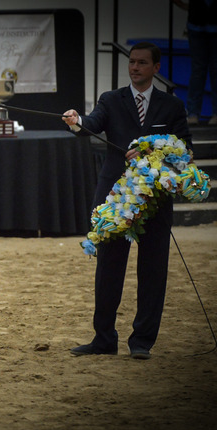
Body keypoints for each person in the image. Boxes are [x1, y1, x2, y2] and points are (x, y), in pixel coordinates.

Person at [61, 42, 191, 360]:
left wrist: (152, 153)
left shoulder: (172, 106)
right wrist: (77, 121)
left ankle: (142, 341)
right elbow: (91, 123)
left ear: (156, 68)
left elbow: (185, 153)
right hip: (116, 198)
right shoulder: (111, 100)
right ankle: (104, 338)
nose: (134, 67)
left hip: (154, 198)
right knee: (108, 267)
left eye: (142, 63)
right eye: (132, 62)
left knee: (153, 270)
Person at [173, 0, 217, 125]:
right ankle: (193, 113)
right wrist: (188, 6)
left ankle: (205, 113)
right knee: (198, 71)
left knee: (213, 70)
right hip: (196, 24)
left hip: (206, 23)